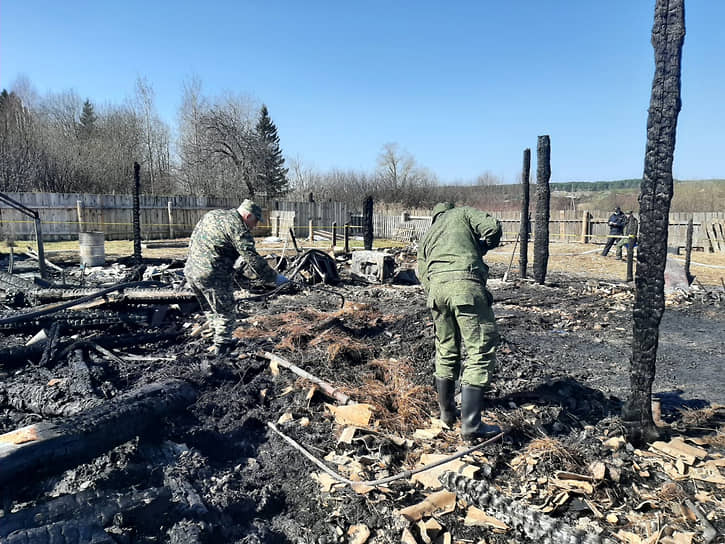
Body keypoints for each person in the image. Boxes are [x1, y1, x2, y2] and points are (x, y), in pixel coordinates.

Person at [417, 202, 502, 441]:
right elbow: (492, 227)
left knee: (445, 349)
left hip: (436, 293)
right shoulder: (462, 213)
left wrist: (437, 291)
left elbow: (422, 273)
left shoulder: (428, 236)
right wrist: (484, 246)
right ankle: (472, 426)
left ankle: (446, 414)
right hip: (466, 286)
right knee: (479, 350)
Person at [184, 199, 288, 354]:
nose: (255, 226)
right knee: (227, 312)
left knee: (212, 309)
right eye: (255, 221)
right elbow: (252, 257)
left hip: (192, 271)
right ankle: (222, 348)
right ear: (248, 215)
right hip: (213, 274)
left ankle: (215, 337)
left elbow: (195, 238)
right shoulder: (238, 227)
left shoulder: (213, 215)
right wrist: (274, 277)